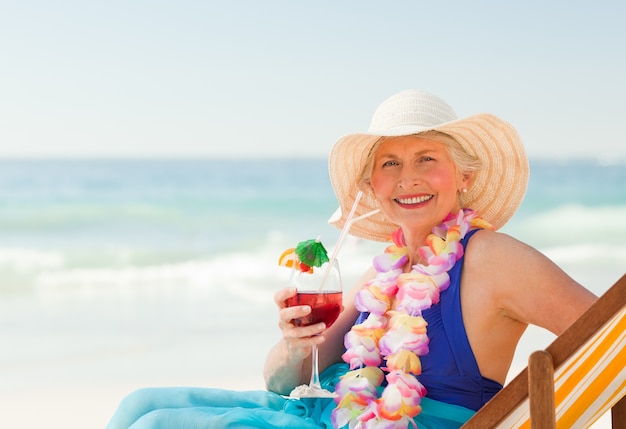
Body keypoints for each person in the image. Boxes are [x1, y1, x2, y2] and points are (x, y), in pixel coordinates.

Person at [106, 90, 597, 429]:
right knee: (139, 404)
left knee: (160, 424)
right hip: (328, 412)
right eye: (390, 163)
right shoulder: (382, 271)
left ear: (463, 176)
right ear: (370, 188)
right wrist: (296, 344)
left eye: (427, 157)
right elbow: (283, 384)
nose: (409, 178)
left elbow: (609, 336)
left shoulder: (495, 258)